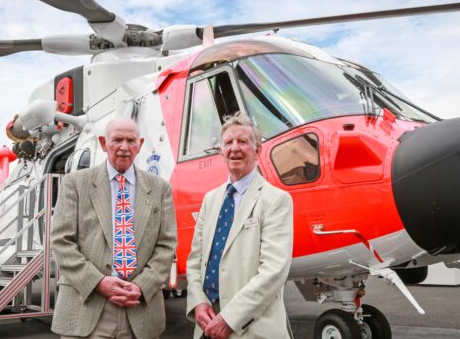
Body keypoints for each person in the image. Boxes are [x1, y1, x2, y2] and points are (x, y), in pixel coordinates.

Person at [51, 117, 177, 339]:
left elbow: (166, 245)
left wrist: (141, 285)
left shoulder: (160, 189)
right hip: (88, 306)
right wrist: (98, 282)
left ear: (140, 145)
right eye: (117, 140)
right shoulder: (74, 183)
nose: (124, 147)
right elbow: (62, 241)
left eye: (131, 141)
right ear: (103, 143)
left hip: (140, 308)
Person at [186, 113, 294, 339]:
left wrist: (229, 318)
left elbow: (273, 271)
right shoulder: (210, 200)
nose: (235, 148)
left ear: (257, 151)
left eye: (243, 142)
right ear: (221, 153)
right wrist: (197, 303)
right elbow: (195, 261)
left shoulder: (276, 200)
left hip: (251, 330)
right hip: (207, 327)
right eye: (228, 142)